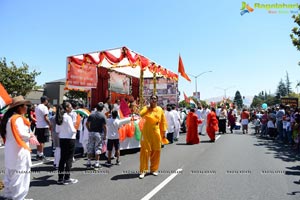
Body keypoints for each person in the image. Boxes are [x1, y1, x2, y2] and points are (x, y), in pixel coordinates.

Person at [0, 96, 36, 199]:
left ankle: (10, 195)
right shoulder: (18, 119)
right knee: (21, 175)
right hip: (19, 150)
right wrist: (31, 135)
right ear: (19, 107)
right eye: (25, 105)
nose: (27, 107)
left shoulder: (9, 118)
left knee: (10, 174)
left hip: (11, 150)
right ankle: (18, 197)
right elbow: (22, 134)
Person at [139, 94, 167, 179]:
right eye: (152, 98)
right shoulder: (146, 108)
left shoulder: (160, 109)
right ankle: (143, 171)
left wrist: (164, 132)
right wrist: (147, 107)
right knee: (145, 151)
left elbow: (163, 121)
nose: (153, 100)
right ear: (150, 99)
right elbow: (141, 114)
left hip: (156, 131)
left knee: (156, 150)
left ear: (157, 100)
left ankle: (154, 169)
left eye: (155, 99)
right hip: (146, 132)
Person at [55, 102, 78, 185]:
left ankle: (60, 178)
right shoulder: (67, 117)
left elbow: (57, 130)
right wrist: (75, 129)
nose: (71, 108)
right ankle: (67, 178)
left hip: (62, 139)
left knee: (62, 159)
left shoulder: (59, 117)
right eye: (70, 107)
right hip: (70, 139)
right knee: (69, 159)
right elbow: (72, 130)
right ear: (66, 108)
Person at [86, 102, 107, 169]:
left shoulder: (91, 114)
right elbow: (104, 127)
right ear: (102, 108)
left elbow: (87, 123)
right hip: (99, 133)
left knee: (90, 147)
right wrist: (105, 135)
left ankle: (88, 162)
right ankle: (97, 163)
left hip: (91, 132)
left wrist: (89, 129)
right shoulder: (103, 116)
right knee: (98, 148)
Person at [35, 95, 52, 160]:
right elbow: (46, 117)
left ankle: (38, 154)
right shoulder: (44, 107)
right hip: (43, 126)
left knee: (39, 141)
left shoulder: (37, 107)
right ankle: (41, 155)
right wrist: (50, 124)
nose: (47, 101)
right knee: (42, 141)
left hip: (38, 125)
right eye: (47, 100)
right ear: (45, 100)